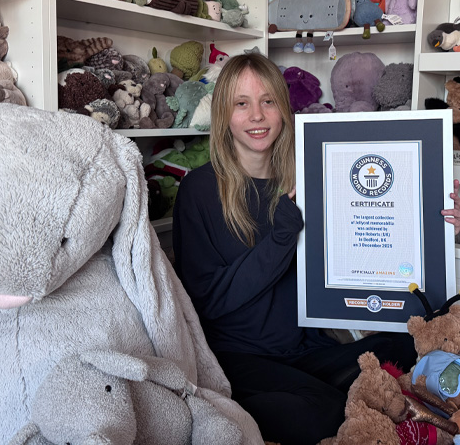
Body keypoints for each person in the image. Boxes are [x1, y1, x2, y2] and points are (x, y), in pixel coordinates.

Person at [172, 53, 416, 445]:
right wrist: (283, 235)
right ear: (223, 115)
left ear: (283, 109)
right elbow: (208, 299)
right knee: (324, 412)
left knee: (406, 347)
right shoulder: (199, 190)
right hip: (239, 359)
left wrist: (438, 217)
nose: (257, 115)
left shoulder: (311, 176)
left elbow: (372, 235)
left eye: (268, 101)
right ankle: (221, 406)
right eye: (241, 103)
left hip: (307, 348)